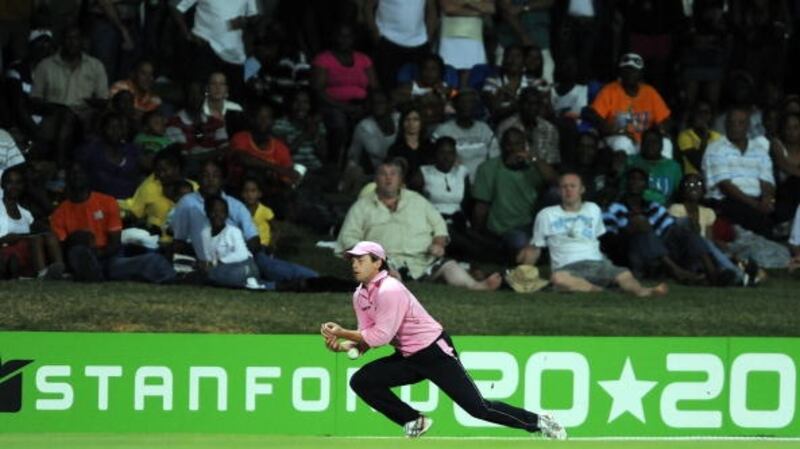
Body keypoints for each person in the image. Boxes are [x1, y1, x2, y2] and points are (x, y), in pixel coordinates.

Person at [320, 240, 567, 439]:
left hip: (433, 353)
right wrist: (343, 347)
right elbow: (367, 337)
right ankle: (413, 420)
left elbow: (381, 336)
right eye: (352, 260)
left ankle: (540, 422)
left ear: (377, 263)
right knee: (362, 381)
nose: (354, 265)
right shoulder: (360, 295)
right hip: (407, 356)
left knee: (479, 408)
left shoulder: (390, 289)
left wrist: (342, 333)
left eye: (360, 260)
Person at [337, 160, 502, 290]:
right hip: (386, 260)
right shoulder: (362, 206)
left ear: (401, 180)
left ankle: (476, 286)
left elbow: (439, 224)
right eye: (383, 174)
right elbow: (348, 237)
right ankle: (391, 286)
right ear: (376, 179)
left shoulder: (417, 200)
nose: (388, 178)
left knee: (449, 266)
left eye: (393, 174)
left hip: (422, 260)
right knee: (385, 273)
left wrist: (438, 243)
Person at [517, 173, 667, 297]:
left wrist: (605, 260)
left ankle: (643, 291)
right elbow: (535, 247)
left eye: (573, 186)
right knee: (558, 278)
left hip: (596, 263)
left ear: (582, 189)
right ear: (559, 191)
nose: (568, 190)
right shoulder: (547, 215)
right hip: (567, 267)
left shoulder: (593, 209)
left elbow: (595, 239)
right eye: (564, 187)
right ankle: (602, 292)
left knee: (624, 274)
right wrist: (525, 269)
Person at [50, 163, 175, 283]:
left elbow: (115, 244)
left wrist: (98, 254)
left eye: (80, 172)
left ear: (88, 176)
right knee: (79, 250)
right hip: (80, 255)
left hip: (108, 257)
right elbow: (63, 248)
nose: (76, 176)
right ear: (67, 178)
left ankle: (173, 278)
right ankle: (91, 271)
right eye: (72, 173)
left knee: (150, 261)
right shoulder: (59, 213)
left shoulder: (107, 202)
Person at [471, 127, 554, 261]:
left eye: (518, 144)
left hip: (533, 224)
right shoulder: (488, 168)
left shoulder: (533, 165)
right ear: (502, 146)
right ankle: (533, 252)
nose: (514, 148)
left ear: (524, 145)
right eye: (509, 144)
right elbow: (481, 206)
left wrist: (533, 158)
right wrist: (478, 236)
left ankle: (536, 251)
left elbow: (555, 181)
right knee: (519, 242)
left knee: (555, 193)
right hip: (506, 229)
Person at [702, 106, 775, 236]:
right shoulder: (715, 148)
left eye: (740, 123)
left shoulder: (759, 149)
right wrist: (757, 205)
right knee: (755, 217)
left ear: (748, 125)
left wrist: (766, 199)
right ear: (725, 125)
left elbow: (767, 179)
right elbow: (725, 186)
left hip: (756, 201)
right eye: (731, 122)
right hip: (726, 200)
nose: (735, 126)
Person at [586, 53, 672, 157]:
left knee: (666, 143)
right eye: (626, 70)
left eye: (634, 70)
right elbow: (593, 113)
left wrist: (662, 128)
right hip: (617, 138)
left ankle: (660, 172)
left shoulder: (650, 92)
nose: (630, 74)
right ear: (620, 73)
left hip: (644, 142)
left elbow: (665, 119)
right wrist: (609, 128)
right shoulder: (609, 90)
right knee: (623, 142)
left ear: (641, 74)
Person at [0, 165, 65, 280]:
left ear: (23, 186)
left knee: (49, 236)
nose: (14, 186)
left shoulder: (26, 214)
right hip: (5, 251)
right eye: (10, 182)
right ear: (2, 185)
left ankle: (60, 270)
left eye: (18, 183)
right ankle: (42, 274)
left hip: (25, 251)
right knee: (35, 240)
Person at [202, 194, 274, 290]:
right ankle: (249, 284)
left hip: (244, 265)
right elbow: (208, 256)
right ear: (207, 213)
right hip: (223, 268)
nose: (217, 215)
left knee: (219, 275)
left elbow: (242, 254)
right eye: (213, 211)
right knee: (211, 273)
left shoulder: (233, 231)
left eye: (222, 212)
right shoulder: (205, 233)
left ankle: (252, 282)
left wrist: (218, 262)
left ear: (227, 214)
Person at [365, 0, 439, 90]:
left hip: (419, 42)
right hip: (387, 40)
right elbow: (368, 7)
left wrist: (428, 37)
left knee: (420, 89)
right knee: (388, 87)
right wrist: (375, 34)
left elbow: (431, 9)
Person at [432, 89, 499, 182]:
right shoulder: (443, 130)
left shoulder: (485, 129)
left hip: (483, 182)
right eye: (463, 102)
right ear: (455, 106)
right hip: (454, 182)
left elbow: (494, 160)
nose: (467, 106)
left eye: (471, 102)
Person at [623, 128, 682, 205]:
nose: (650, 145)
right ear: (641, 144)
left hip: (663, 209)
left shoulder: (673, 167)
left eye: (654, 142)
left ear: (661, 145)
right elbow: (621, 188)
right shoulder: (630, 161)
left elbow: (678, 194)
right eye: (647, 141)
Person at [677, 100, 721, 175]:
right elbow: (700, 163)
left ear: (710, 116)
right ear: (693, 114)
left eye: (706, 112)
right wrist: (704, 135)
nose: (702, 116)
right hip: (693, 180)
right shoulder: (685, 136)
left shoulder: (718, 137)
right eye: (699, 112)